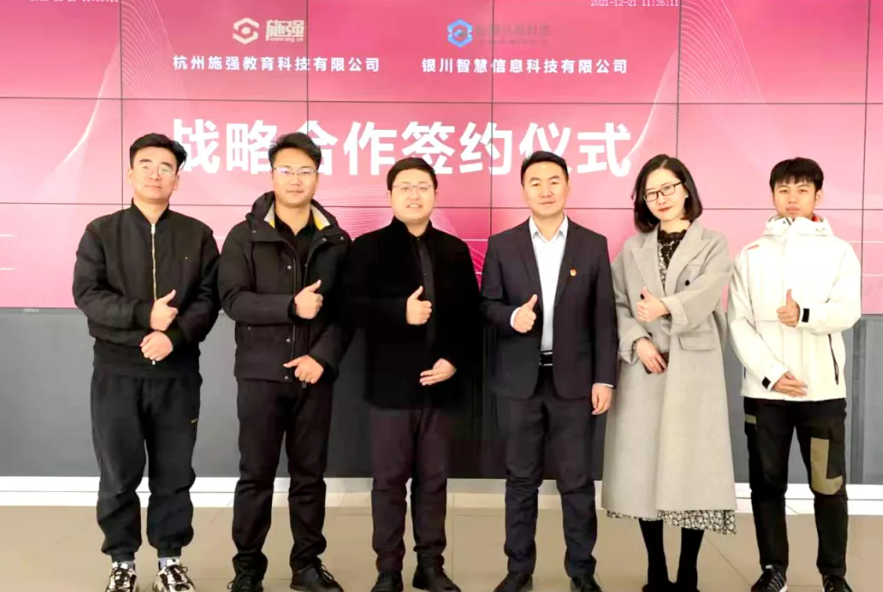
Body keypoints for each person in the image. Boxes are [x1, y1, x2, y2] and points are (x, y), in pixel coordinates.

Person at [72, 133, 221, 592]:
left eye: (166, 167)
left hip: (177, 373)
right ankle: (122, 562)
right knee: (118, 473)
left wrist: (171, 337)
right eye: (147, 165)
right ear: (130, 172)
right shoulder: (102, 231)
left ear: (178, 179)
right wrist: (144, 316)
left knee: (174, 473)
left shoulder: (197, 235)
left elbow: (208, 299)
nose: (156, 174)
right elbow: (88, 294)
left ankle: (170, 560)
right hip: (116, 373)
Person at [218, 133, 354, 592]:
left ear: (318, 176)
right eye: (287, 170)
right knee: (254, 475)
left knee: (309, 477)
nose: (296, 180)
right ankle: (247, 569)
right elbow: (233, 300)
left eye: (305, 171)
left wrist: (322, 358)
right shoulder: (245, 235)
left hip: (314, 377)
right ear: (271, 175)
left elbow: (346, 312)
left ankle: (306, 565)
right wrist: (290, 306)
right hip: (260, 374)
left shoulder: (336, 239)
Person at [342, 157, 481, 592]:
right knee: (388, 482)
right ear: (390, 196)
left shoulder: (455, 250)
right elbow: (349, 307)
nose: (414, 194)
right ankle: (388, 570)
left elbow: (471, 317)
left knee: (434, 480)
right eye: (405, 187)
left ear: (435, 194)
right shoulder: (367, 248)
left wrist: (454, 360)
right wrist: (397, 311)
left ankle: (430, 566)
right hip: (390, 388)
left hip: (442, 385)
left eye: (423, 186)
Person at [480, 151, 616, 592]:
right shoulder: (503, 244)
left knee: (577, 482)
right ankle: (519, 570)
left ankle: (582, 572)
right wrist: (511, 317)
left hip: (574, 382)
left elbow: (604, 318)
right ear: (523, 191)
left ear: (568, 186)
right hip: (519, 381)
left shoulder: (592, 244)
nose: (545, 190)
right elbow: (487, 305)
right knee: (520, 480)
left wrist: (604, 377)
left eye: (553, 181)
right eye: (535, 182)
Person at [601, 155, 737, 592]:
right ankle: (656, 569)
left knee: (694, 468)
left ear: (686, 189)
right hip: (646, 368)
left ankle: (689, 572)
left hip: (694, 367)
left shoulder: (712, 243)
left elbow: (708, 291)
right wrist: (636, 341)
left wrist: (666, 307)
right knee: (644, 468)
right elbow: (618, 302)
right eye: (650, 192)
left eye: (667, 188)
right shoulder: (632, 249)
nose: (660, 198)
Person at [728, 157, 861, 592]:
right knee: (766, 485)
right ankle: (773, 570)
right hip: (765, 394)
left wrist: (804, 314)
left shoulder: (839, 252)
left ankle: (834, 575)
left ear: (818, 195)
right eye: (783, 189)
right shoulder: (750, 255)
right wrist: (770, 373)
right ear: (772, 194)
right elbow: (738, 322)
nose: (792, 198)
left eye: (802, 189)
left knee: (828, 485)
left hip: (821, 393)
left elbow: (848, 310)